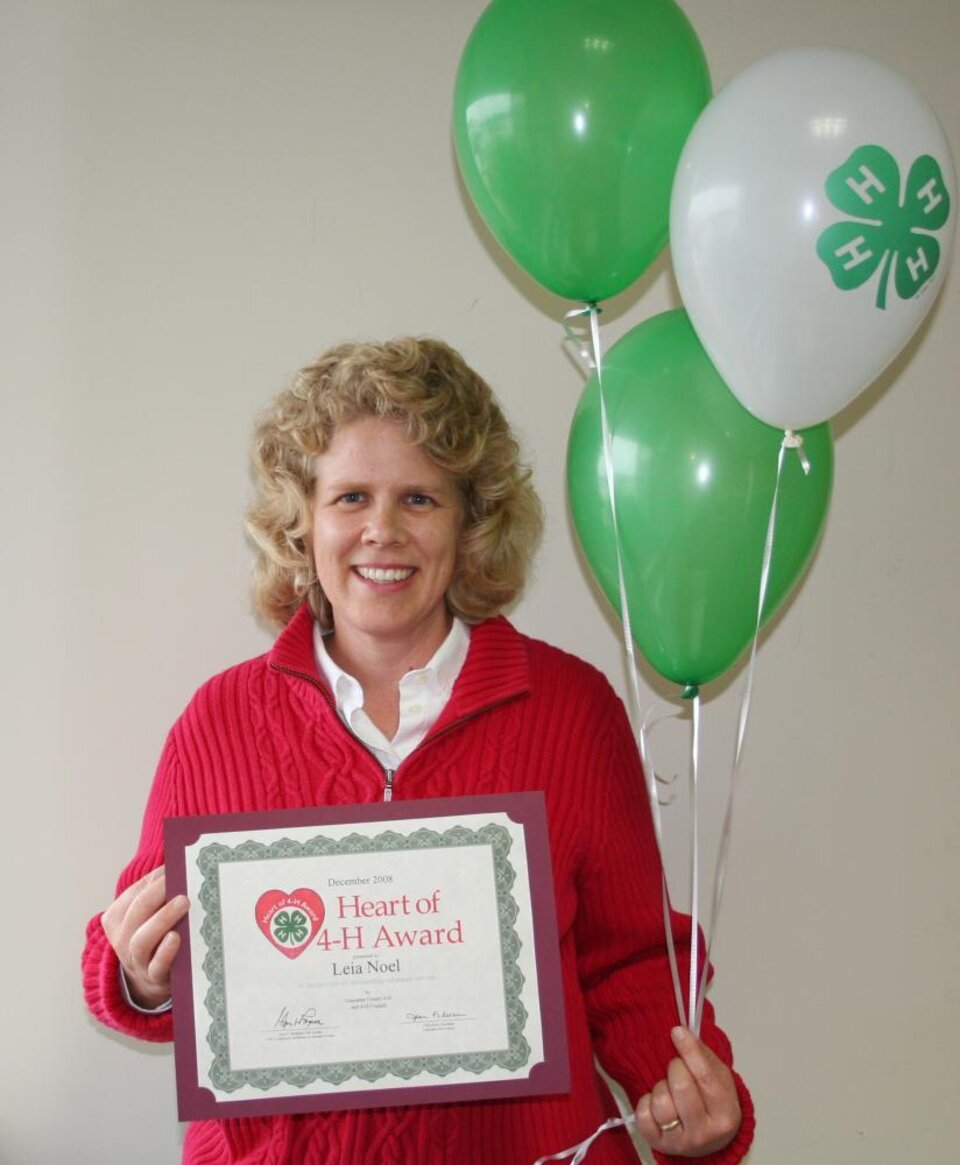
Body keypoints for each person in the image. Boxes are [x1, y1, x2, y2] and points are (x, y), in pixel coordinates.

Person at [82, 337, 754, 1164]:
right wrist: (140, 976)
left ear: (473, 520)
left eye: (421, 499)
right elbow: (155, 958)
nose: (382, 531)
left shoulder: (571, 711)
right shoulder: (218, 720)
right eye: (351, 496)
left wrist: (690, 1100)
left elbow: (631, 961)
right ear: (303, 521)